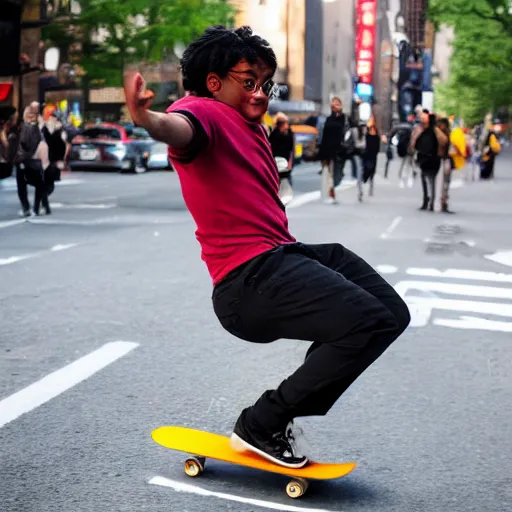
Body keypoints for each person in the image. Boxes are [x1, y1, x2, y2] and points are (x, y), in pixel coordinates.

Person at [124, 25, 410, 469]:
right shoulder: (203, 111)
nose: (261, 94)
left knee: (390, 314)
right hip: (249, 282)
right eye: (249, 82)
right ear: (215, 83)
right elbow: (180, 129)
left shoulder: (250, 125)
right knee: (367, 320)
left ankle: (281, 413)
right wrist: (147, 120)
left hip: (280, 256)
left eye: (266, 84)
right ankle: (263, 422)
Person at [409, 111, 447, 211]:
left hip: (429, 159)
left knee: (428, 179)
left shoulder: (430, 131)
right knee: (430, 180)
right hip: (429, 158)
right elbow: (444, 141)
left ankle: (428, 201)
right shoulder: (429, 131)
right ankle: (429, 201)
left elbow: (415, 144)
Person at [317, 97, 349, 204]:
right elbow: (323, 136)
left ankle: (332, 191)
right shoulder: (328, 119)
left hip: (340, 151)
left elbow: (349, 132)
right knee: (329, 174)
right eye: (333, 104)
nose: (335, 106)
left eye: (337, 104)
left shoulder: (345, 119)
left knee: (338, 175)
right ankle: (331, 194)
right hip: (328, 150)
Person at [269, 113, 295, 186]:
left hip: (286, 161)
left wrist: (290, 163)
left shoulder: (289, 134)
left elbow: (291, 150)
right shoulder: (274, 134)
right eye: (285, 123)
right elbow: (271, 148)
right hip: (276, 161)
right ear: (281, 124)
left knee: (286, 181)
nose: (287, 126)